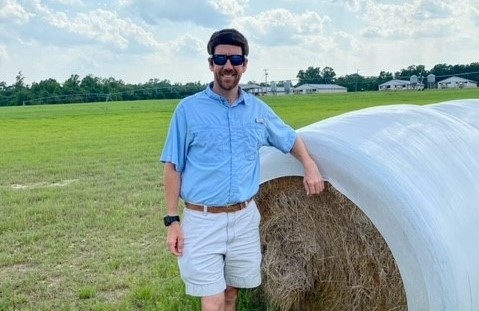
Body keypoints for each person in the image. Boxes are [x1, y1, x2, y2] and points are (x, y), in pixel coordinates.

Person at [161, 28, 324, 311]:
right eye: (221, 59)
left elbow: (289, 138)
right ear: (210, 63)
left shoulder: (258, 110)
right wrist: (172, 220)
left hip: (244, 218)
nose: (228, 66)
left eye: (235, 60)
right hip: (202, 219)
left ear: (245, 65)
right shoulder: (187, 110)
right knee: (212, 300)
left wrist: (309, 165)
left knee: (231, 293)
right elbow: (173, 166)